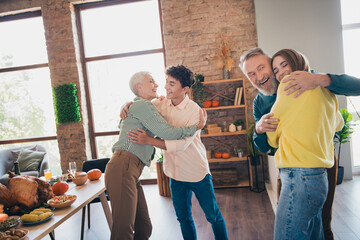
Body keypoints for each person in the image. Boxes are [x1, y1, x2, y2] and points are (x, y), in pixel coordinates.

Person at [239, 47, 360, 240]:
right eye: (251, 74)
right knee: (298, 224)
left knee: (321, 221)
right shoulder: (260, 103)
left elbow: (357, 86)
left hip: (322, 161)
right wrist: (259, 129)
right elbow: (264, 147)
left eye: (262, 68)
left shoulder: (308, 79)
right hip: (289, 166)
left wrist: (320, 79)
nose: (259, 76)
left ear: (271, 65)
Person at [122, 65, 229, 240]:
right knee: (183, 218)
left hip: (197, 173)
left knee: (213, 216)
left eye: (171, 84)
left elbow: (181, 145)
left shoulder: (195, 112)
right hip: (175, 174)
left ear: (185, 89)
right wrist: (125, 106)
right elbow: (139, 105)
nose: (165, 87)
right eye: (166, 82)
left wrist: (149, 141)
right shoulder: (161, 104)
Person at [105, 71, 207, 240]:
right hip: (123, 165)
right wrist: (196, 127)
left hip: (130, 170)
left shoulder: (142, 106)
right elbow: (166, 131)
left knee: (144, 226)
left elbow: (126, 122)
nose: (157, 84)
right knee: (123, 231)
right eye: (151, 81)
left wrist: (124, 106)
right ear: (139, 87)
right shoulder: (142, 106)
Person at [267, 48, 343, 239]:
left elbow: (272, 135)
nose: (281, 72)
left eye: (284, 64)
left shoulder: (287, 87)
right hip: (319, 179)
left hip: (298, 179)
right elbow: (338, 124)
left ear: (297, 61)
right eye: (276, 70)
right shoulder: (326, 90)